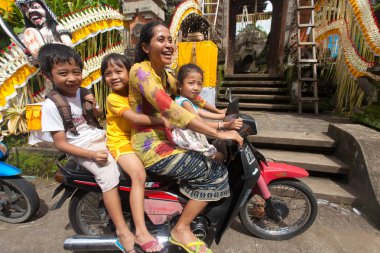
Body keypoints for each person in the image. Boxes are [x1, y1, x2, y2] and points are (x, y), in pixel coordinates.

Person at [128, 21, 243, 253]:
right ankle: (181, 228)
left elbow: (193, 98)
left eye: (170, 39)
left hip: (167, 140)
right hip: (151, 146)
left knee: (210, 157)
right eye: (161, 40)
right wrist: (219, 130)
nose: (169, 44)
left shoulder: (165, 75)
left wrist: (219, 112)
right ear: (145, 47)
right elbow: (170, 108)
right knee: (216, 172)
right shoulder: (141, 71)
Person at [38, 44, 136, 253]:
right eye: (63, 73)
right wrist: (93, 155)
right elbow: (61, 143)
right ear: (48, 76)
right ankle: (122, 230)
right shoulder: (51, 105)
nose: (72, 78)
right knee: (108, 174)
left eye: (76, 72)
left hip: (98, 136)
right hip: (81, 146)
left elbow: (93, 119)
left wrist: (95, 108)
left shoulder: (82, 93)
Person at [101, 53, 166, 252]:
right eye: (108, 73)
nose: (113, 76)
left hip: (139, 139)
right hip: (121, 143)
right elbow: (135, 119)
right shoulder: (113, 98)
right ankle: (140, 231)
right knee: (139, 175)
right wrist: (162, 121)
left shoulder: (135, 92)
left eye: (119, 71)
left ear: (130, 73)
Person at [173, 63, 243, 161]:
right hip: (189, 141)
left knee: (219, 150)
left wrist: (222, 115)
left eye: (199, 83)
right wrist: (225, 125)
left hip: (194, 136)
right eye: (191, 83)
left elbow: (202, 113)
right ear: (180, 85)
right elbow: (200, 123)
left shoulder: (187, 100)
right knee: (221, 156)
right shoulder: (184, 102)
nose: (196, 88)